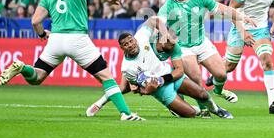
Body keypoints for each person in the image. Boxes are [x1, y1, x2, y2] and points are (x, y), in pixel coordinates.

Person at [0, 0, 144, 121]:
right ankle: (125, 114)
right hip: (77, 38)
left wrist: (42, 35)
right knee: (106, 77)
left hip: (56, 39)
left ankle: (23, 67)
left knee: (37, 77)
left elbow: (35, 21)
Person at [86, 17, 233, 119]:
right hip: (158, 87)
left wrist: (161, 79)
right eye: (127, 44)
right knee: (190, 115)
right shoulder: (133, 57)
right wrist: (145, 91)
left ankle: (216, 109)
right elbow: (137, 89)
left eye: (131, 41)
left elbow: (179, 71)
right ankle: (100, 102)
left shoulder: (174, 47)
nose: (130, 44)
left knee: (201, 92)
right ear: (122, 48)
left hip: (167, 75)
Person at [158, 0, 256, 117]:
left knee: (221, 74)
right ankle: (206, 109)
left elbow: (221, 9)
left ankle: (218, 91)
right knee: (197, 80)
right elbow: (159, 22)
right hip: (183, 48)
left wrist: (241, 16)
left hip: (202, 43)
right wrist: (163, 34)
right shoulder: (168, 6)